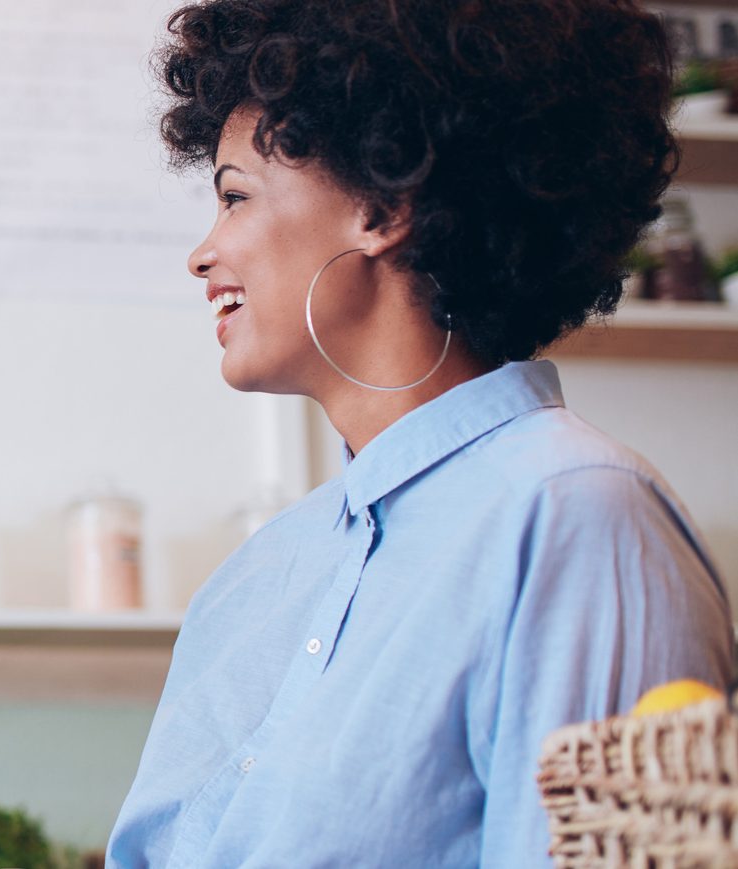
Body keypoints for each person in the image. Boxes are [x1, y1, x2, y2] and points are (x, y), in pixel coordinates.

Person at [109, 0, 736, 865]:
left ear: (381, 204)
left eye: (234, 197)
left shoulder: (579, 518)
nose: (201, 254)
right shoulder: (252, 579)